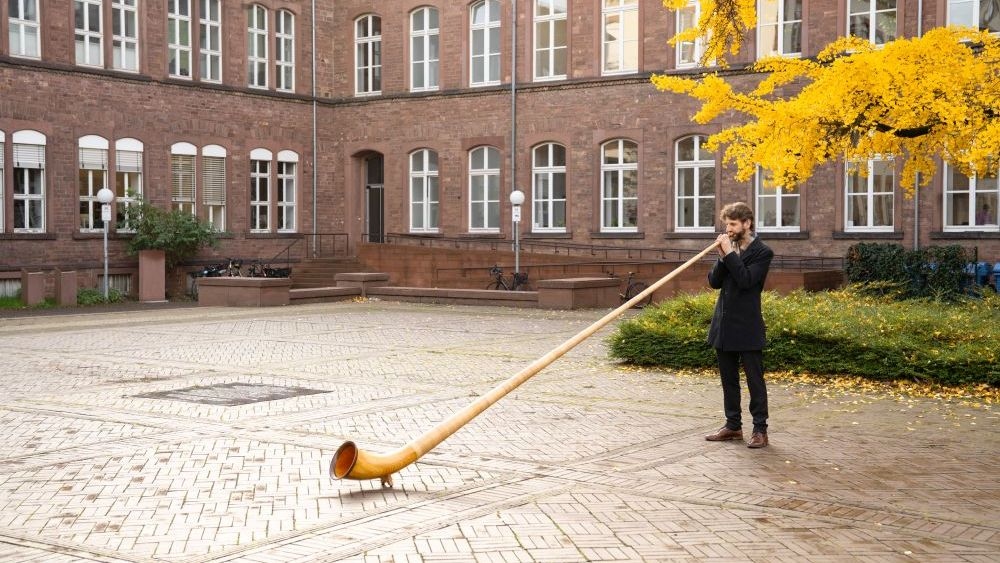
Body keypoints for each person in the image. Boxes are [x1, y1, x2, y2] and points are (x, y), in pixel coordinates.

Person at [704, 202, 774, 448]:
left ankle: (760, 430)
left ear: (747, 223)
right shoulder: (728, 249)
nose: (729, 229)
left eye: (733, 224)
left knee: (755, 379)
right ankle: (733, 426)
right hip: (724, 325)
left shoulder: (762, 252)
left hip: (748, 325)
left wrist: (730, 255)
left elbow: (746, 281)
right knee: (728, 379)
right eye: (727, 224)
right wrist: (723, 257)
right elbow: (714, 282)